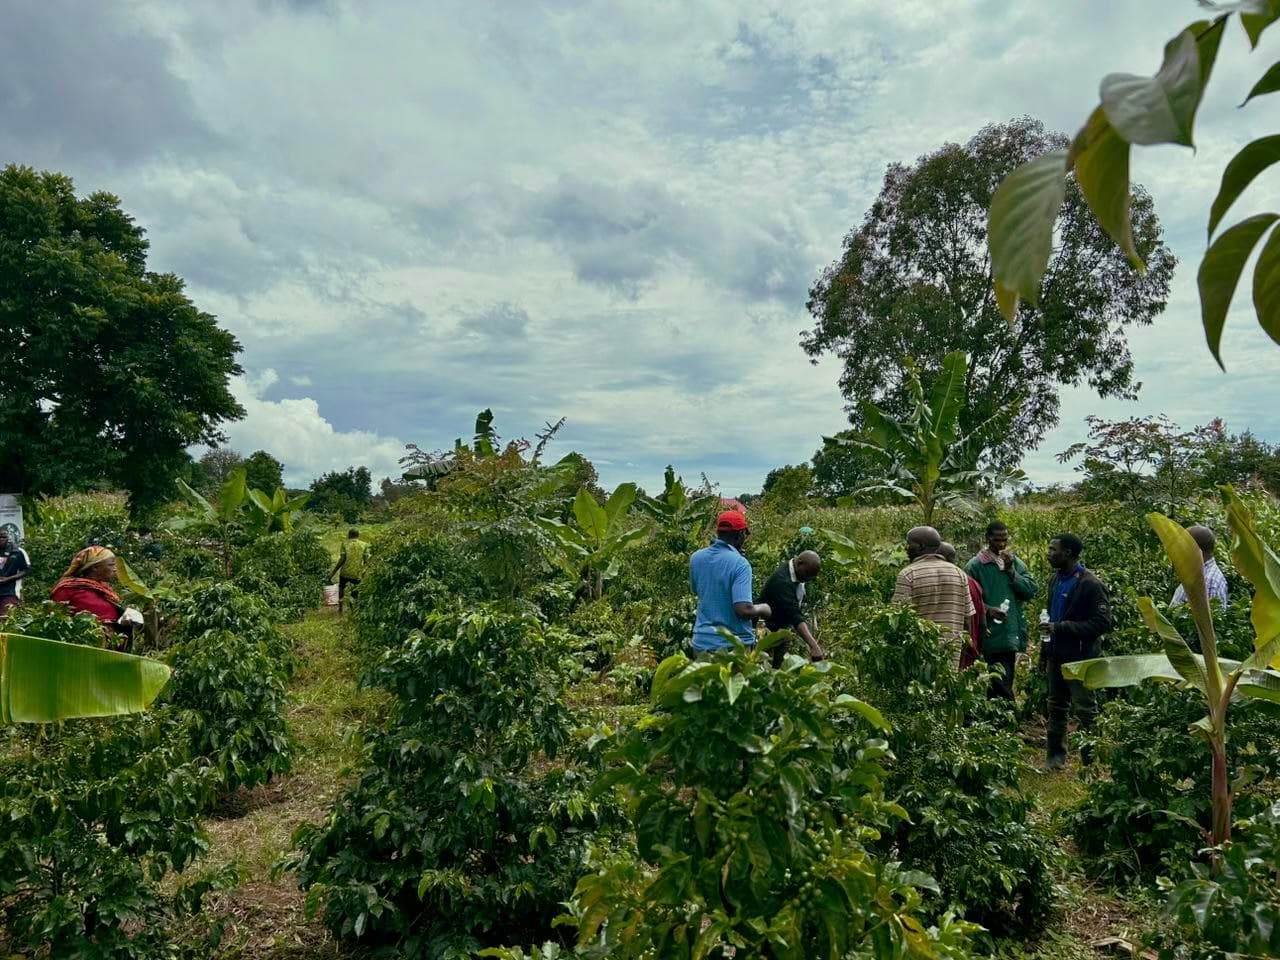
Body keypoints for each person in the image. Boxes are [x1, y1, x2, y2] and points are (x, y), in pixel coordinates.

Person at [1040, 532, 1112, 770]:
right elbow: (1050, 617)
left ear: (1068, 553)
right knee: (1056, 705)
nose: (1049, 554)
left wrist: (1061, 628)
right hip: (1055, 654)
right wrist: (1045, 649)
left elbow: (1102, 623)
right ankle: (1055, 758)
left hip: (1081, 657)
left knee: (1085, 710)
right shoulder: (1055, 579)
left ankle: (1090, 761)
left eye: (1053, 550)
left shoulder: (1090, 584)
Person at [965, 521, 1039, 700]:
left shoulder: (1015, 563)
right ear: (988, 538)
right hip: (989, 631)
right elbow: (966, 598)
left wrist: (1012, 572)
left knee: (1003, 676)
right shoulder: (975, 566)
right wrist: (988, 610)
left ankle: (998, 717)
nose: (1001, 544)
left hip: (1010, 630)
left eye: (1004, 539)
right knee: (998, 678)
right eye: (997, 539)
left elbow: (1030, 591)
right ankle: (1008, 715)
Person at [689, 511, 771, 656]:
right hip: (732, 647)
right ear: (740, 535)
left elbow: (698, 591)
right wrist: (763, 608)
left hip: (701, 643)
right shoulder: (740, 564)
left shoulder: (696, 558)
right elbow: (743, 609)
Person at [890, 526, 973, 643]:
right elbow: (967, 619)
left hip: (920, 652)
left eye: (909, 544)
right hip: (951, 651)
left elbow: (897, 618)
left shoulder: (909, 574)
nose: (906, 549)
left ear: (921, 546)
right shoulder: (959, 573)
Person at [758, 550, 823, 666]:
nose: (808, 579)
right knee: (764, 669)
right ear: (799, 563)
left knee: (780, 670)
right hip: (767, 633)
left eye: (811, 576)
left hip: (783, 630)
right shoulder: (782, 581)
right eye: (807, 573)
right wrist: (814, 645)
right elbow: (795, 615)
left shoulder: (798, 573)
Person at [50, 546, 129, 642]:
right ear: (95, 567)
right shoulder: (68, 588)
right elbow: (54, 618)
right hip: (80, 643)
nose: (115, 569)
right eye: (111, 565)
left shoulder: (106, 590)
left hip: (110, 645)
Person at [940, 542, 985, 671]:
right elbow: (982, 622)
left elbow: (969, 622)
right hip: (970, 652)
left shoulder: (954, 582)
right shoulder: (972, 583)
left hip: (957, 652)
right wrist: (978, 651)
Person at [1170, 525, 1228, 608]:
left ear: (1193, 549)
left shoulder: (1208, 581)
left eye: (1183, 546)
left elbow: (1207, 619)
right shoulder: (1197, 573)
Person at [329, 529, 370, 614]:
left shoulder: (345, 544)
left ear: (349, 535)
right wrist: (366, 571)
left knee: (341, 587)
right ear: (358, 535)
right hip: (357, 573)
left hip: (345, 572)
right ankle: (353, 610)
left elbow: (342, 559)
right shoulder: (364, 545)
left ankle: (340, 608)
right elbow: (366, 560)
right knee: (355, 590)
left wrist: (334, 572)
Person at [0, 529, 31, 615]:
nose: (1, 539)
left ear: (8, 538)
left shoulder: (17, 551)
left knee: (6, 620)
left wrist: (8, 579)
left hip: (9, 592)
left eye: (3, 537)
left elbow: (26, 570)